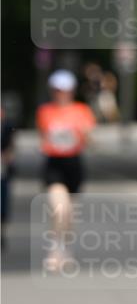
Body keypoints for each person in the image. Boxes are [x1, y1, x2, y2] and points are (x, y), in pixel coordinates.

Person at [36, 70, 96, 272]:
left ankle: (66, 249)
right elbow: (43, 137)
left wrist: (85, 135)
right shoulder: (45, 111)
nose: (60, 94)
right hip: (54, 164)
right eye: (57, 90)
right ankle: (54, 249)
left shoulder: (82, 110)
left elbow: (89, 140)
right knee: (58, 207)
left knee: (69, 214)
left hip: (74, 164)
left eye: (64, 90)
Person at [1, 106, 15, 250]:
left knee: (3, 204)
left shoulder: (7, 126)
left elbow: (11, 147)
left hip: (2, 171)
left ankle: (2, 233)